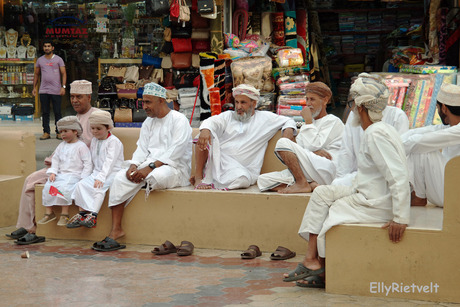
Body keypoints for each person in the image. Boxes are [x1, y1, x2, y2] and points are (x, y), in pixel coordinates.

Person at [283, 78, 410, 288]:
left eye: (351, 105)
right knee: (323, 193)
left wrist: (400, 217)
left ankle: (320, 269)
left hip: (376, 203)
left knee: (333, 211)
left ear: (360, 107)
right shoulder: (378, 130)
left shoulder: (376, 134)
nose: (350, 110)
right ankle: (311, 259)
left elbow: (397, 176)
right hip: (366, 192)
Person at [92, 82, 192, 252]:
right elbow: (141, 148)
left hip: (174, 168)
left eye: (148, 102)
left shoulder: (179, 120)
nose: (143, 106)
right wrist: (133, 165)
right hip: (148, 165)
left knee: (155, 177)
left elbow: (176, 150)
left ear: (161, 101)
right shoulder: (148, 122)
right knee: (120, 177)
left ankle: (141, 180)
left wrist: (150, 167)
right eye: (143, 102)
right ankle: (116, 230)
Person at [7, 80, 97, 244]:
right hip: (62, 167)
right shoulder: (75, 117)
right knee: (30, 180)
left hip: (80, 170)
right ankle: (27, 225)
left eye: (79, 97)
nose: (75, 100)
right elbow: (66, 145)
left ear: (89, 97)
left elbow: (91, 148)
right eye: (72, 97)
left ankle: (32, 230)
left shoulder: (96, 117)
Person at [190, 84, 297, 190]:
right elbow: (211, 121)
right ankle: (199, 177)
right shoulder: (228, 116)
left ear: (254, 103)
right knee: (203, 135)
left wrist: (288, 132)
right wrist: (205, 130)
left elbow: (289, 120)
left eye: (243, 102)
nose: (238, 107)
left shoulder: (265, 119)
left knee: (242, 179)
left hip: (241, 169)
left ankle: (210, 180)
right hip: (219, 162)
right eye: (236, 102)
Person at [257, 82, 344, 194]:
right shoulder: (307, 125)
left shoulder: (333, 121)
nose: (308, 104)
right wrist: (312, 152)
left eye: (312, 99)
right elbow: (296, 154)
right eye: (307, 99)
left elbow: (313, 145)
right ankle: (309, 184)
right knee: (263, 180)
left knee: (283, 142)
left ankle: (301, 183)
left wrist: (308, 122)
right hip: (309, 169)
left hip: (326, 169)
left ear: (325, 100)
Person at [332, 74, 410, 187]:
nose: (353, 106)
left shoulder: (397, 116)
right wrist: (340, 180)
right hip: (361, 177)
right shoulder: (354, 115)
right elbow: (346, 153)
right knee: (335, 186)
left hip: (386, 180)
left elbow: (401, 158)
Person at [402, 83, 460, 207]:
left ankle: (419, 197)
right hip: (451, 189)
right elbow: (415, 134)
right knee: (417, 144)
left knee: (422, 150)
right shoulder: (451, 127)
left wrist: (392, 152)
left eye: (438, 108)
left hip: (455, 196)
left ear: (444, 108)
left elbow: (417, 142)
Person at [68, 110, 124, 229]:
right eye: (92, 128)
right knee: (81, 185)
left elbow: (110, 162)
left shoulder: (114, 142)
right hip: (97, 172)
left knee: (99, 187)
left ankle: (93, 215)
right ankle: (82, 214)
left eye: (98, 128)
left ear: (108, 127)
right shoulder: (94, 140)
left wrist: (101, 177)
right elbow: (92, 160)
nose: (94, 131)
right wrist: (87, 175)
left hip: (112, 173)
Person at [38, 116, 92, 226]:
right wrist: (53, 172)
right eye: (61, 131)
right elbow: (56, 160)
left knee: (65, 188)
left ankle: (64, 214)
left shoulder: (81, 146)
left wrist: (84, 178)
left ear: (75, 131)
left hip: (75, 175)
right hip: (61, 174)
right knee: (48, 186)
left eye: (65, 131)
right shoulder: (61, 145)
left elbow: (88, 163)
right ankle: (49, 213)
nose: (62, 134)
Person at [32, 39, 67, 140]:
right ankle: (46, 132)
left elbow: (64, 73)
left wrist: (63, 87)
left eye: (48, 46)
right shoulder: (40, 60)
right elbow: (36, 74)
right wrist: (34, 87)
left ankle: (59, 132)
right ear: (43, 48)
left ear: (52, 48)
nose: (47, 48)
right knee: (45, 112)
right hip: (43, 90)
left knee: (57, 112)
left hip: (56, 90)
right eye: (45, 46)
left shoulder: (58, 59)